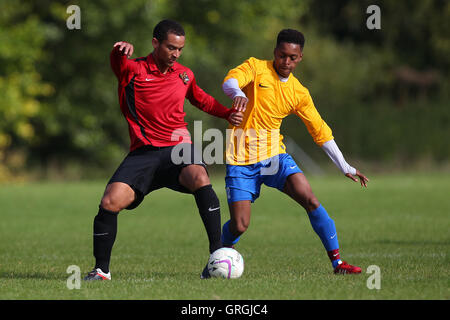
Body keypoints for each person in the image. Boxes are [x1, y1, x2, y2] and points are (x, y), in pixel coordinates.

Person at [84, 19, 243, 280]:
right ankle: (102, 270)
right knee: (109, 202)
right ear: (155, 43)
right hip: (144, 153)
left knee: (201, 178)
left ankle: (218, 254)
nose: (176, 54)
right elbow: (116, 62)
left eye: (180, 49)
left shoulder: (184, 74)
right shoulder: (132, 71)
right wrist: (118, 50)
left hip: (179, 148)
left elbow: (200, 99)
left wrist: (227, 114)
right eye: (171, 48)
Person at [219, 29, 369, 275]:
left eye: (292, 57)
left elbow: (319, 129)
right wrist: (237, 93)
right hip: (241, 160)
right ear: (274, 52)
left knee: (309, 197)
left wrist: (345, 166)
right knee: (240, 225)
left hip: (273, 157)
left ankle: (338, 263)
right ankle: (220, 254)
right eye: (281, 55)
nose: (286, 62)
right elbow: (230, 80)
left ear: (300, 57)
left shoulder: (299, 93)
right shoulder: (256, 68)